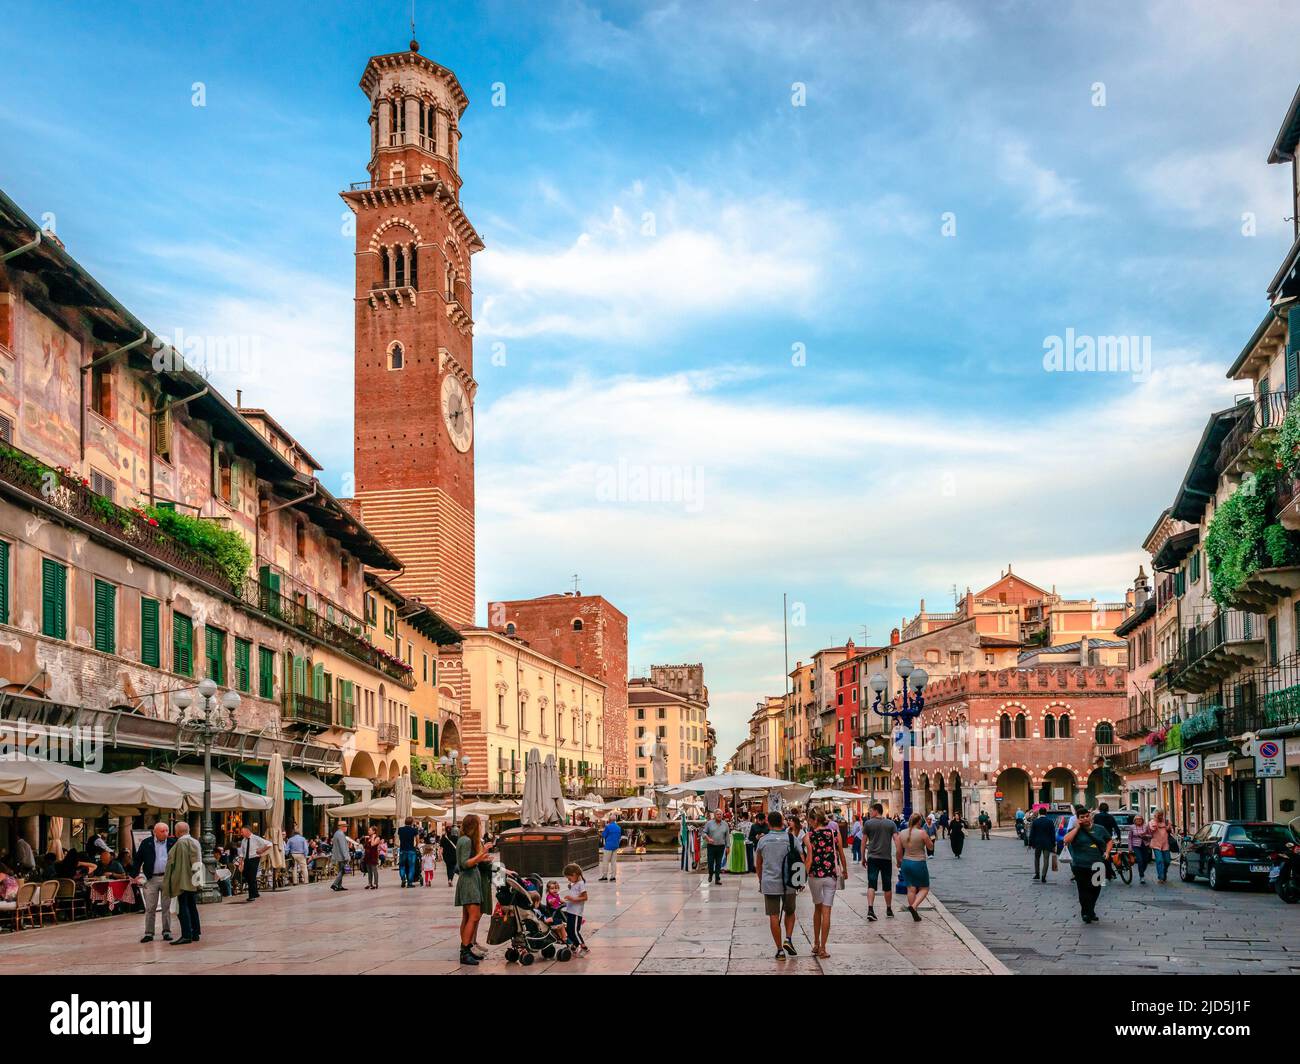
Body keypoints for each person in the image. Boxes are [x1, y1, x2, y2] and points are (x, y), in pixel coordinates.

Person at [753, 810, 800, 961]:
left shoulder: (763, 840)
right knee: (790, 912)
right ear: (782, 822)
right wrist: (800, 880)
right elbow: (801, 859)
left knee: (773, 915)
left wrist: (761, 880)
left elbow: (758, 864)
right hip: (789, 882)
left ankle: (780, 950)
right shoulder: (792, 839)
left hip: (770, 882)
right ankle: (788, 938)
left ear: (768, 823)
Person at [804, 810, 845, 959]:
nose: (809, 823)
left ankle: (815, 943)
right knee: (827, 912)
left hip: (814, 875)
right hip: (831, 875)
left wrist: (802, 875)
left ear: (815, 820)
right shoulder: (834, 833)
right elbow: (840, 852)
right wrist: (844, 870)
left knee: (817, 908)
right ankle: (823, 948)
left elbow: (809, 857)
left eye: (810, 820)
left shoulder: (808, 836)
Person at [454, 814, 494, 966]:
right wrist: (482, 853)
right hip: (469, 881)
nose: (480, 827)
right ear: (474, 826)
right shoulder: (466, 840)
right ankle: (464, 951)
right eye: (479, 824)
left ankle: (468, 947)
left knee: (467, 916)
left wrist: (482, 858)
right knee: (474, 916)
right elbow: (464, 863)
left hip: (471, 879)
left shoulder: (465, 840)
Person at [1063, 806, 1112, 924]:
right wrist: (1077, 827)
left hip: (1098, 864)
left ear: (1090, 816)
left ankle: (1091, 910)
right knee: (1083, 890)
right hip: (1080, 865)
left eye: (1087, 816)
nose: (1085, 818)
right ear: (1078, 819)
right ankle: (1086, 913)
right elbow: (1066, 840)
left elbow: (1109, 840)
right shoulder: (1076, 831)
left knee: (1095, 889)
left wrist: (1107, 852)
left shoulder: (1100, 829)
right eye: (1082, 817)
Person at [132, 821, 173, 943]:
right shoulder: (147, 843)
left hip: (167, 877)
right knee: (150, 907)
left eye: (167, 830)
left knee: (166, 907)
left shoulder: (172, 842)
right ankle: (149, 933)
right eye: (162, 831)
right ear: (155, 832)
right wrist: (134, 875)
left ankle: (166, 931)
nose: (165, 833)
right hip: (151, 878)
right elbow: (138, 859)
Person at [163, 822, 202, 945]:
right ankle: (195, 932)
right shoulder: (194, 841)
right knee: (191, 906)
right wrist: (198, 881)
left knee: (182, 907)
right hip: (192, 880)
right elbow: (196, 863)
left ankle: (186, 934)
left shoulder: (181, 843)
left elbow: (177, 865)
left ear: (178, 832)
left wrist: (173, 883)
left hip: (183, 881)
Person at [860, 802, 896, 921]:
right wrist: (899, 856)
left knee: (871, 883)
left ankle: (870, 909)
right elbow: (897, 840)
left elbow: (863, 841)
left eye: (871, 811)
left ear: (876, 811)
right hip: (886, 858)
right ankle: (889, 909)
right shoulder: (891, 824)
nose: (870, 813)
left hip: (872, 858)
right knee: (887, 885)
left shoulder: (868, 824)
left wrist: (862, 857)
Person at [895, 812, 934, 921]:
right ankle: (914, 906)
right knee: (924, 888)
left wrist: (898, 862)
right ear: (919, 821)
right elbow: (930, 847)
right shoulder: (922, 833)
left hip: (906, 862)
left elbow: (898, 851)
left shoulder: (901, 833)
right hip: (919, 862)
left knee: (911, 889)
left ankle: (915, 913)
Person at [561, 862, 589, 954]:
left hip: (576, 912)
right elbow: (575, 893)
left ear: (574, 875)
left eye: (569, 878)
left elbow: (585, 897)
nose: (569, 880)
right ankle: (575, 944)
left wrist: (572, 899)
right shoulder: (575, 883)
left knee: (574, 931)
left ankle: (583, 946)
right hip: (570, 911)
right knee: (569, 930)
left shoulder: (581, 884)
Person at [237, 826, 271, 901]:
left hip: (254, 858)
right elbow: (242, 853)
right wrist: (240, 862)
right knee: (246, 875)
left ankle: (251, 896)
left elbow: (269, 844)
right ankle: (255, 893)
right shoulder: (243, 841)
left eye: (242, 832)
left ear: (248, 831)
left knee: (251, 876)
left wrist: (261, 850)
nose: (241, 833)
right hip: (247, 859)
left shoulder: (256, 838)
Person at [1028, 808, 1056, 882]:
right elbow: (1053, 834)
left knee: (1037, 858)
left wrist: (1030, 844)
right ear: (1046, 813)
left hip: (1037, 843)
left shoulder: (1035, 822)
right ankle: (1043, 876)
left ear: (1039, 813)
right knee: (1046, 859)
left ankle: (1037, 874)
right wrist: (1053, 844)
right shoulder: (1050, 822)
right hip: (1047, 843)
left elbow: (1032, 834)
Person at [701, 809, 728, 885]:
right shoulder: (709, 823)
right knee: (710, 862)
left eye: (720, 814)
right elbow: (703, 833)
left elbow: (727, 837)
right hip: (711, 846)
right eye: (718, 814)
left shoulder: (725, 824)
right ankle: (710, 874)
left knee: (719, 863)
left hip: (721, 846)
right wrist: (708, 839)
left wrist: (728, 846)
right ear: (715, 815)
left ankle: (717, 879)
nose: (719, 816)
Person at [1148, 809, 1174, 884]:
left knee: (1167, 861)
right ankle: (1161, 877)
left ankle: (1164, 872)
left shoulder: (1166, 822)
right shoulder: (1152, 822)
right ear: (1155, 815)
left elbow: (1170, 831)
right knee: (1159, 860)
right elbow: (1152, 830)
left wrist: (1169, 827)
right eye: (1158, 815)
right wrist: (1156, 821)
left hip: (1165, 844)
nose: (1160, 817)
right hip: (1156, 844)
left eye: (1161, 815)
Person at [1128, 815, 1153, 885]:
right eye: (1137, 819)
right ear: (1134, 821)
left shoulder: (1145, 826)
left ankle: (1141, 871)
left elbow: (1151, 835)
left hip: (1145, 845)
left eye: (1140, 819)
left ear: (1142, 820)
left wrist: (1145, 836)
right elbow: (1130, 838)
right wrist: (1130, 848)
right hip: (1136, 845)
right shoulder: (1132, 827)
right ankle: (1142, 876)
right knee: (1140, 860)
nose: (1139, 821)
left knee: (1146, 860)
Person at [397, 817, 421, 888]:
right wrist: (416, 846)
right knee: (411, 866)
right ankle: (410, 883)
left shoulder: (400, 829)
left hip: (402, 850)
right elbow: (417, 840)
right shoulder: (414, 830)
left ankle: (403, 879)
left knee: (402, 866)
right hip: (411, 850)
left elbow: (399, 838)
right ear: (412, 822)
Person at [329, 821, 353, 891]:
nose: (346, 828)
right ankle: (335, 884)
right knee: (342, 871)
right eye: (345, 826)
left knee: (340, 870)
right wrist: (346, 857)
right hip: (342, 856)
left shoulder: (336, 833)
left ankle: (339, 886)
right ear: (341, 827)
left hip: (338, 856)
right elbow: (342, 847)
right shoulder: (341, 834)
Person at [598, 814, 622, 883]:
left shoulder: (608, 827)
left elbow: (603, 835)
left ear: (610, 820)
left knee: (605, 861)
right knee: (613, 862)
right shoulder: (618, 827)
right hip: (616, 846)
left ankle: (605, 876)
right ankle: (613, 877)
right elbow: (619, 836)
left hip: (608, 846)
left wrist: (600, 833)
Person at [748, 810, 770, 875]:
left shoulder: (768, 826)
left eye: (762, 820)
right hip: (757, 846)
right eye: (758, 820)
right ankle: (759, 874)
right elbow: (750, 837)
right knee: (758, 862)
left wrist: (765, 835)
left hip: (766, 847)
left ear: (764, 819)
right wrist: (756, 838)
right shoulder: (754, 826)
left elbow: (771, 835)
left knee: (766, 862)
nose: (760, 822)